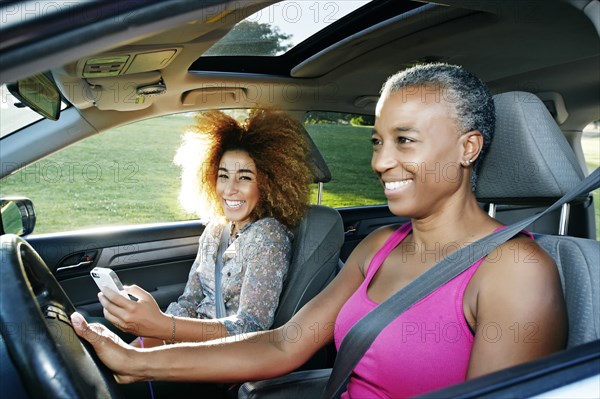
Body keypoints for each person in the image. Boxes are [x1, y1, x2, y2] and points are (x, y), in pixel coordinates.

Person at [72, 63, 567, 398]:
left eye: (404, 141)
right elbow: (283, 344)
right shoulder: (377, 247)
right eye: (376, 140)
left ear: (468, 148)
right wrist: (136, 360)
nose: (380, 161)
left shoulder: (515, 272)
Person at [98, 109, 314, 348]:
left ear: (268, 183)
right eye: (223, 176)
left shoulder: (268, 235)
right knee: (106, 345)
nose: (229, 189)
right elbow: (189, 302)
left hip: (223, 357)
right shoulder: (215, 229)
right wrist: (150, 335)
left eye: (244, 178)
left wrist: (162, 326)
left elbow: (251, 328)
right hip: (187, 344)